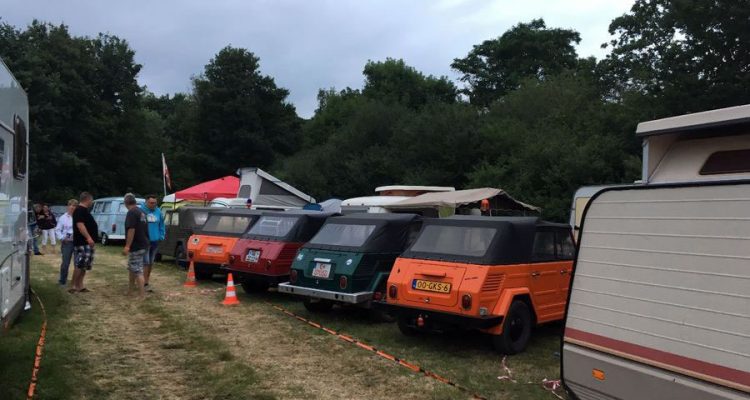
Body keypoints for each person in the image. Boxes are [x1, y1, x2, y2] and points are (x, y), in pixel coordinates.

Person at [123, 193, 150, 298]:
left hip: (136, 246)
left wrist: (127, 246)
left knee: (137, 270)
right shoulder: (142, 212)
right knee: (132, 268)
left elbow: (131, 229)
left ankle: (142, 295)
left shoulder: (131, 213)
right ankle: (130, 290)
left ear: (126, 203)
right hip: (144, 244)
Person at [71, 192, 98, 293]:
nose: (92, 202)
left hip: (87, 243)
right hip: (82, 242)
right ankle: (73, 286)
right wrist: (89, 238)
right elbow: (80, 225)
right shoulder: (79, 210)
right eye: (91, 200)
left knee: (85, 265)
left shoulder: (85, 210)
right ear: (87, 199)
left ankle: (80, 285)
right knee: (80, 264)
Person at [140, 195, 165, 290]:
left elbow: (162, 225)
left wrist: (161, 235)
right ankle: (143, 283)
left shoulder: (158, 211)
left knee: (151, 262)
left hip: (155, 241)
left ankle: (146, 281)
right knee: (145, 262)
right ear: (146, 202)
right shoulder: (141, 211)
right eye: (151, 203)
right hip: (145, 241)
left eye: (155, 203)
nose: (153, 204)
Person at [55, 199, 78, 286]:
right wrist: (62, 238)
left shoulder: (79, 217)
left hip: (78, 242)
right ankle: (62, 280)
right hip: (67, 243)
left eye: (74, 205)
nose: (72, 207)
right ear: (68, 206)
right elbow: (57, 230)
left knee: (77, 263)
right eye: (70, 205)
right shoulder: (63, 218)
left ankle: (76, 282)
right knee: (65, 263)